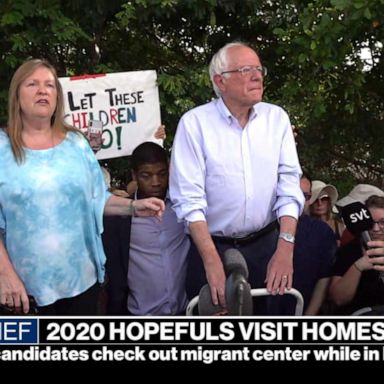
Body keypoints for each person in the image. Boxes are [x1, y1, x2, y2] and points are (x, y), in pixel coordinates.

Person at [0, 59, 164, 315]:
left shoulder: (76, 143)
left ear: (57, 96)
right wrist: (5, 274)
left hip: (82, 285)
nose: (43, 91)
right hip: (22, 293)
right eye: (32, 84)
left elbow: (97, 198)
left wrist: (134, 206)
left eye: (49, 85)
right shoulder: (2, 148)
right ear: (16, 94)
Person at [169, 41, 304, 313]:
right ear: (221, 81)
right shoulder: (195, 124)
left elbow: (289, 187)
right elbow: (188, 200)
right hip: (212, 247)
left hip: (267, 246)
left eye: (258, 68)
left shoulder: (276, 119)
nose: (257, 75)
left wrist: (285, 248)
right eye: (245, 69)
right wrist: (210, 261)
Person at [278, 171, 336, 315]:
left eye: (305, 196)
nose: (298, 200)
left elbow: (323, 279)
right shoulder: (258, 228)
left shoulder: (322, 232)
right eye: (293, 194)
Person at [329, 195, 384, 315]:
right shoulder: (350, 250)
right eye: (370, 222)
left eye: (382, 222)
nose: (375, 228)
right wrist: (358, 267)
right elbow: (338, 299)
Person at [308, 180, 344, 246]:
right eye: (315, 199)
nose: (319, 203)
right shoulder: (303, 227)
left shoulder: (340, 226)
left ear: (329, 201)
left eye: (324, 198)